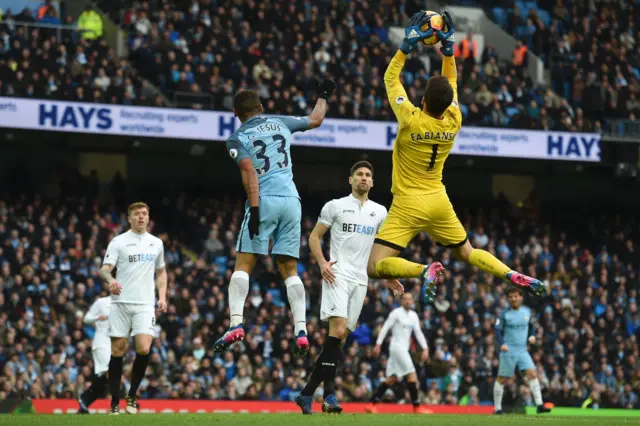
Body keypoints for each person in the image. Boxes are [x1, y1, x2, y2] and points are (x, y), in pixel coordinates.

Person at [367, 10, 547, 309]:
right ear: (447, 103)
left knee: (375, 266)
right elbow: (450, 80)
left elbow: (390, 77)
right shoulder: (454, 119)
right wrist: (448, 49)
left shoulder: (410, 119)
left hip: (408, 203)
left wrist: (406, 46)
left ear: (421, 101)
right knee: (467, 252)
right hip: (438, 199)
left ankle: (423, 270)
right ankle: (510, 273)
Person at [214, 79, 336, 357]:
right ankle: (301, 330)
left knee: (244, 263)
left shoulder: (236, 138)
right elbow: (316, 119)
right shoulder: (280, 122)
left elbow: (248, 170)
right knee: (289, 269)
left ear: (236, 113)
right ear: (260, 107)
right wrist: (324, 95)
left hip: (265, 200)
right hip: (292, 201)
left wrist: (255, 209)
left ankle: (236, 323)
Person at [295, 161, 392, 414]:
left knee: (340, 339)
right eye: (359, 174)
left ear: (372, 182)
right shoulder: (336, 206)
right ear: (351, 180)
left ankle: (309, 394)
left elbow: (379, 251)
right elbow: (314, 236)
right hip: (336, 275)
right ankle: (327, 396)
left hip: (361, 279)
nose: (363, 178)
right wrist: (321, 264)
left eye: (368, 175)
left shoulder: (380, 212)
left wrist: (388, 276)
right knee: (337, 331)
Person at [101, 202, 167, 415]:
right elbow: (104, 270)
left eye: (144, 214)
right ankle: (114, 402)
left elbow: (161, 272)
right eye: (137, 214)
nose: (141, 217)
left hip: (145, 304)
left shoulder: (156, 243)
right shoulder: (118, 242)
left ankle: (132, 395)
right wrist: (111, 280)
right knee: (117, 351)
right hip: (121, 303)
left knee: (143, 348)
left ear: (148, 218)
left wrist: (163, 296)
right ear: (129, 218)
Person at [365, 293, 429, 414]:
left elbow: (418, 333)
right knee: (412, 374)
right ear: (401, 301)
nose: (408, 301)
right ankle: (416, 406)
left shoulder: (414, 316)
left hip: (402, 349)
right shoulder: (396, 313)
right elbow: (385, 328)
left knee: (391, 378)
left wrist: (425, 348)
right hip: (397, 348)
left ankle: (371, 404)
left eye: (410, 299)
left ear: (412, 301)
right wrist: (378, 344)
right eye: (405, 299)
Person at [494, 287, 552, 414]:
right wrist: (502, 344)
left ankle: (539, 405)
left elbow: (532, 327)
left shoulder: (527, 312)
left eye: (515, 296)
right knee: (502, 379)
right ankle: (497, 408)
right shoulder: (504, 313)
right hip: (509, 350)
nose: (513, 299)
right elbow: (497, 330)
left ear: (521, 297)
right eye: (511, 297)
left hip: (522, 350)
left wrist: (532, 335)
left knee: (532, 374)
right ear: (508, 299)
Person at [77, 292, 111, 414]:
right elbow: (86, 319)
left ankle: (84, 402)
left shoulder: (123, 306)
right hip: (101, 343)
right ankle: (85, 398)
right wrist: (98, 318)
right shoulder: (101, 302)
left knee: (106, 378)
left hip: (113, 345)